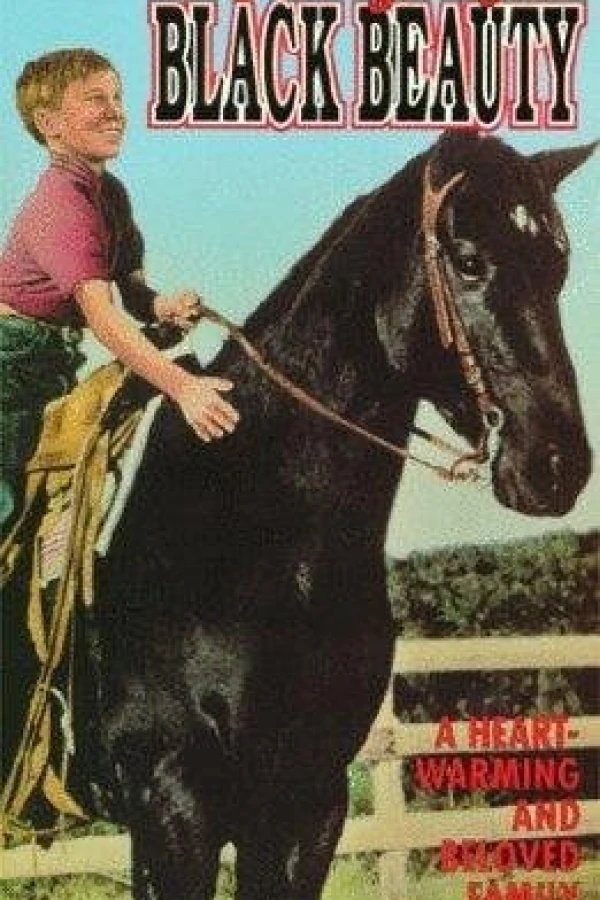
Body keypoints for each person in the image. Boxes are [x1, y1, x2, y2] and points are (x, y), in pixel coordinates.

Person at [0, 48, 239, 527]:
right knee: (6, 503)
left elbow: (132, 294)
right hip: (8, 364)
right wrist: (183, 388)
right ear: (50, 124)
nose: (115, 112)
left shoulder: (110, 194)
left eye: (117, 97)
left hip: (50, 362)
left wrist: (163, 307)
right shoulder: (60, 202)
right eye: (95, 99)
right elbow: (103, 316)